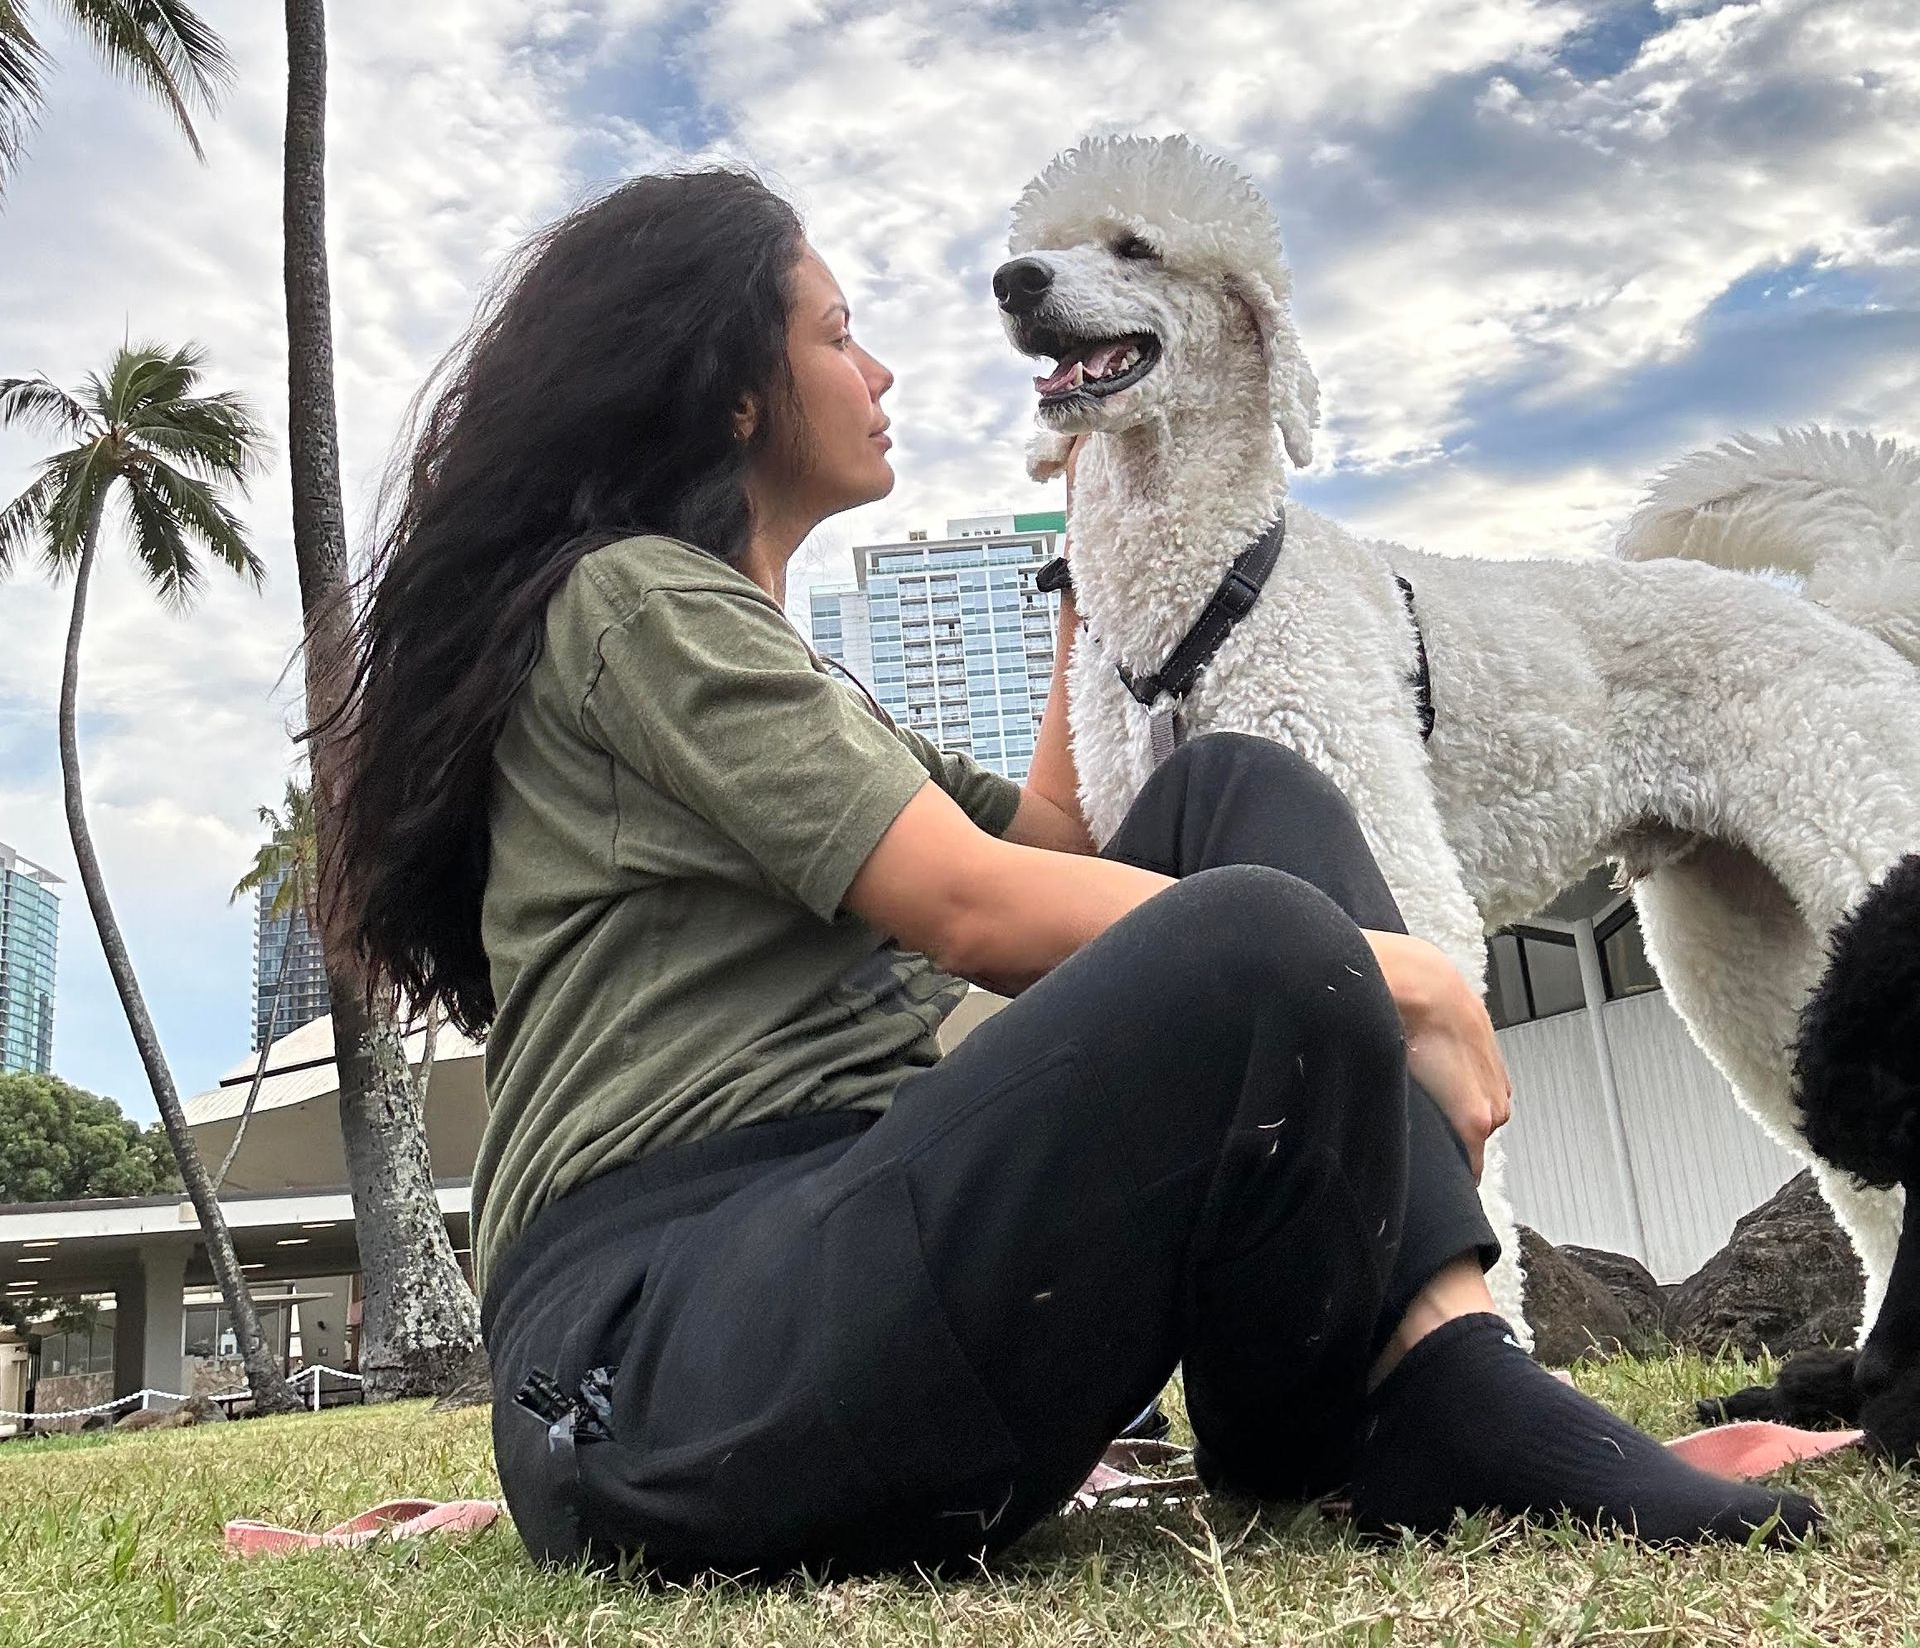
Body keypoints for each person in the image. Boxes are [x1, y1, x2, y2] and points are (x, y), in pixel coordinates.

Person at [318, 167, 1821, 1580]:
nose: (883, 370)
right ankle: (1441, 1378)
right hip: (657, 1357)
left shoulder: (786, 674)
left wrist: (1085, 565)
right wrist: (1398, 971)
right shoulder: (632, 604)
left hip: (838, 1270)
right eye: (839, 334)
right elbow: (976, 910)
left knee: (1238, 792)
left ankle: (1434, 1365)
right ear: (728, 391)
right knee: (1259, 935)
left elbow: (1057, 846)